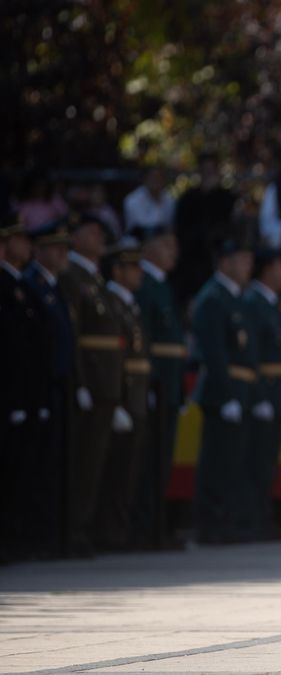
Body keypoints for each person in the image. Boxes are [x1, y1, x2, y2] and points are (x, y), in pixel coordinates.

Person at [58, 213, 124, 557]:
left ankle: (88, 527)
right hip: (92, 381)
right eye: (92, 231)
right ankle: (75, 530)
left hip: (106, 383)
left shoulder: (94, 279)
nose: (99, 237)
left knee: (96, 464)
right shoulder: (72, 276)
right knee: (82, 463)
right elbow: (75, 334)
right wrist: (81, 381)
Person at [191, 239, 257, 544]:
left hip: (238, 390)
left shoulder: (234, 298)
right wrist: (228, 394)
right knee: (216, 461)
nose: (247, 267)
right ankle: (209, 523)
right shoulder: (213, 298)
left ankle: (225, 520)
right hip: (221, 391)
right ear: (224, 263)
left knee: (233, 461)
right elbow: (214, 352)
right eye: (241, 260)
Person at [131, 225, 186, 549]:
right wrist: (149, 384)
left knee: (162, 458)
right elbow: (145, 340)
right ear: (149, 248)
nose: (172, 252)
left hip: (168, 383)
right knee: (148, 460)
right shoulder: (145, 285)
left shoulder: (162, 285)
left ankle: (156, 525)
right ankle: (144, 527)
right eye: (166, 245)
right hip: (154, 383)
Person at [21, 221, 74, 558]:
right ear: (39, 250)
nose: (62, 253)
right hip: (39, 387)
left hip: (59, 384)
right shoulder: (32, 285)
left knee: (55, 466)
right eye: (55, 247)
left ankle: (50, 536)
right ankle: (31, 536)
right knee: (33, 468)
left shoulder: (55, 286)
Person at [96, 237, 148, 551]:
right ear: (116, 271)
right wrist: (118, 400)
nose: (138, 273)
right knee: (113, 469)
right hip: (122, 396)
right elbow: (113, 357)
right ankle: (106, 531)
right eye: (132, 267)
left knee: (129, 469)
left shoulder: (128, 303)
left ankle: (119, 529)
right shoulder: (112, 302)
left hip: (136, 396)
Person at [245, 249, 281, 539]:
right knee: (257, 462)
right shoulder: (255, 302)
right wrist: (260, 395)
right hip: (267, 391)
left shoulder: (268, 302)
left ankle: (260, 518)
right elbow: (252, 355)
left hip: (279, 393)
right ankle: (252, 519)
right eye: (278, 267)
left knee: (267, 463)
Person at [0, 216, 44, 559]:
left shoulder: (23, 285)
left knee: (24, 469)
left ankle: (19, 536)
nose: (26, 246)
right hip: (9, 391)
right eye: (18, 240)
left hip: (26, 391)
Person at [173, 155, 237, 308]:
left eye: (212, 171)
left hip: (219, 258)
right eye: (205, 171)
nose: (209, 175)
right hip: (192, 260)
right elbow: (182, 231)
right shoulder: (187, 199)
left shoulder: (227, 198)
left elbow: (228, 227)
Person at [123, 165, 176, 233]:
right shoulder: (132, 200)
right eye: (153, 177)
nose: (156, 181)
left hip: (164, 239)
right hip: (138, 240)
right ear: (145, 179)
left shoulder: (169, 199)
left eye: (159, 178)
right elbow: (140, 227)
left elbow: (171, 225)